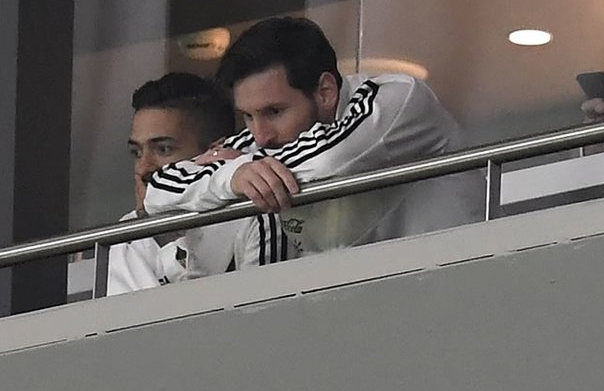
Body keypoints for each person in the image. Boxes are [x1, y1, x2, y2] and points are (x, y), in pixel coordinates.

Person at [143, 17, 484, 255]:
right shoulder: (264, 142)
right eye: (247, 116)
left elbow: (327, 161)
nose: (260, 135)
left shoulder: (397, 99)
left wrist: (239, 169)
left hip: (458, 283)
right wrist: (233, 175)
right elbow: (157, 194)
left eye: (274, 112)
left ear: (325, 92)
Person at [107, 72, 289, 295]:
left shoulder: (254, 212)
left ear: (215, 153)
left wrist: (172, 246)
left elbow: (259, 310)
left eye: (163, 149)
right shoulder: (126, 233)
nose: (143, 168)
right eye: (136, 153)